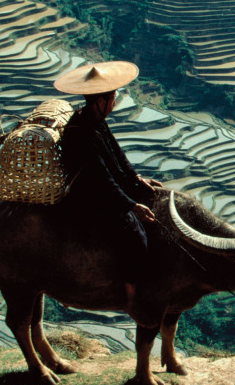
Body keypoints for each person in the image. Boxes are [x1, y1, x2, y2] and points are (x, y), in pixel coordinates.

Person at [53, 61, 161, 324]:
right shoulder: (81, 131)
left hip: (102, 188)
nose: (114, 103)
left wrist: (137, 178)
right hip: (88, 197)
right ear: (99, 100)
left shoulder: (95, 121)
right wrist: (130, 205)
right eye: (111, 98)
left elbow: (117, 156)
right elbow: (98, 178)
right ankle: (130, 297)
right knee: (135, 236)